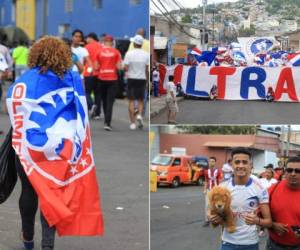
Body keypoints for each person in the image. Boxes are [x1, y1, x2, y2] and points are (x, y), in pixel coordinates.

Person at [6, 36, 103, 250]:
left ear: (35, 54)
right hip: (59, 149)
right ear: (62, 55)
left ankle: (28, 238)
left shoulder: (24, 80)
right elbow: (80, 111)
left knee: (28, 192)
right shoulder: (72, 78)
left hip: (27, 147)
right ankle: (47, 245)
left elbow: (13, 107)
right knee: (50, 193)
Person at [209, 147, 272, 250]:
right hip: (227, 242)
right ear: (232, 165)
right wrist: (214, 218)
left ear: (250, 165)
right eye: (237, 162)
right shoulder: (222, 188)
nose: (241, 166)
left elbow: (268, 222)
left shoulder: (260, 188)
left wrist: (257, 220)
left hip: (250, 243)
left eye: (244, 162)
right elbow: (213, 214)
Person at [266, 156, 300, 249]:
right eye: (289, 170)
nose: (293, 174)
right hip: (274, 245)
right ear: (285, 171)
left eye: (298, 171)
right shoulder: (272, 189)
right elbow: (258, 216)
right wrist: (272, 225)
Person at [95, 35, 122, 131]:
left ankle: (106, 118)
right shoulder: (116, 52)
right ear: (112, 42)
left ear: (104, 41)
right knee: (110, 101)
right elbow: (119, 67)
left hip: (101, 78)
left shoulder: (99, 52)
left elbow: (96, 67)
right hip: (112, 79)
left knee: (104, 100)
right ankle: (107, 122)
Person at [123, 34, 149, 130]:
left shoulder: (129, 54)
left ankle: (133, 123)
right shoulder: (146, 55)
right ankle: (139, 115)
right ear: (141, 44)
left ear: (134, 43)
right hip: (142, 79)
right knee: (140, 100)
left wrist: (127, 69)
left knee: (131, 101)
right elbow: (147, 69)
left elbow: (125, 67)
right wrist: (147, 80)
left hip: (131, 79)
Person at [84, 32, 102, 118]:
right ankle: (97, 113)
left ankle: (91, 107)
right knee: (98, 93)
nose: (86, 40)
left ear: (91, 38)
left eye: (87, 38)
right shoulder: (101, 46)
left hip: (88, 72)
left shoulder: (87, 47)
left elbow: (84, 60)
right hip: (99, 73)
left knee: (87, 92)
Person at [203, 156, 222, 227]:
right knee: (207, 206)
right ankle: (207, 220)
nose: (211, 163)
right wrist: (204, 189)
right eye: (210, 161)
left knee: (217, 206)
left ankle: (218, 220)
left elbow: (220, 181)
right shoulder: (206, 171)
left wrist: (220, 190)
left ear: (215, 162)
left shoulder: (218, 171)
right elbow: (206, 181)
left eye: (213, 161)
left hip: (216, 191)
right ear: (208, 162)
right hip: (209, 190)